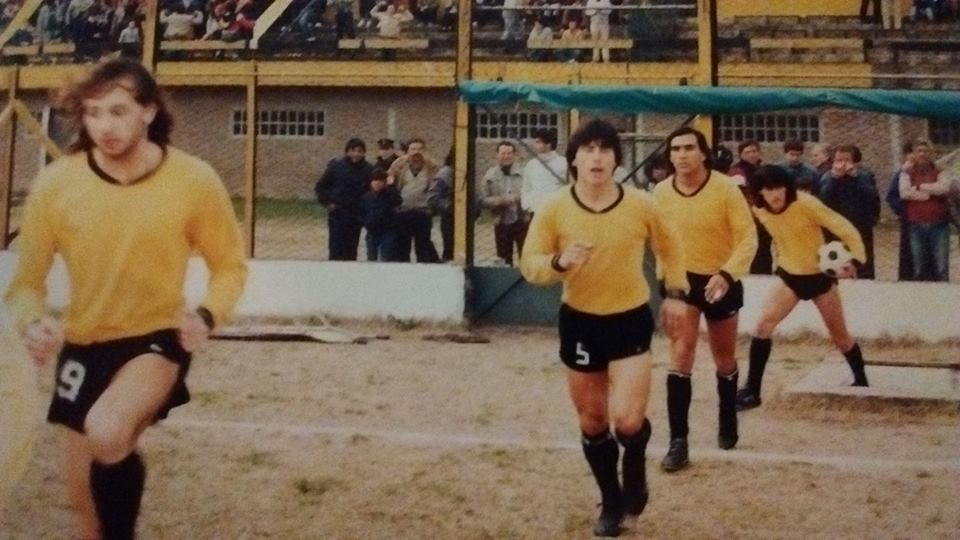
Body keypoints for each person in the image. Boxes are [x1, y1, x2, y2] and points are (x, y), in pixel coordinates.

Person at [3, 59, 248, 540]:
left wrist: (206, 314)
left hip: (155, 340)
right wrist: (33, 323)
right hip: (83, 347)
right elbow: (25, 284)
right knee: (84, 509)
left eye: (117, 111)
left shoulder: (193, 180)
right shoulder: (57, 185)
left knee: (109, 429)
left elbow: (230, 266)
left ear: (149, 113)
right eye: (93, 113)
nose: (104, 126)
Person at [520, 119, 688, 537]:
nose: (597, 157)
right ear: (573, 158)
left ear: (616, 158)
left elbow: (671, 246)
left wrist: (676, 292)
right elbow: (531, 264)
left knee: (628, 421)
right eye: (588, 149)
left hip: (629, 319)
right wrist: (559, 264)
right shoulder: (555, 206)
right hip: (579, 321)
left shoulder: (641, 204)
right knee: (593, 422)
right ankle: (611, 502)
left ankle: (635, 471)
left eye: (605, 149)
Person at [653, 127, 758, 473]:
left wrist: (727, 275)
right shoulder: (661, 192)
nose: (681, 154)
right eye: (676, 148)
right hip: (681, 282)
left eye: (689, 148)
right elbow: (658, 241)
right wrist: (668, 284)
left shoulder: (726, 188)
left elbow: (748, 239)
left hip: (720, 279)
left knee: (723, 357)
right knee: (681, 354)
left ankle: (728, 417)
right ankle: (678, 441)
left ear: (703, 154)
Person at [736, 165, 869, 411]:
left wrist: (856, 259)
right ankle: (752, 392)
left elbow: (843, 227)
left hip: (820, 278)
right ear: (760, 192)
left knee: (840, 337)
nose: (774, 194)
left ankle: (862, 382)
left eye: (778, 187)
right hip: (789, 277)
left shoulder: (806, 204)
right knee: (763, 326)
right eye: (767, 189)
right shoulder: (759, 209)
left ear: (787, 186)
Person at [818, 144, 880, 279]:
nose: (843, 164)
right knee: (837, 264)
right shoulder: (827, 177)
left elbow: (871, 196)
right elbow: (822, 200)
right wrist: (834, 179)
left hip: (860, 228)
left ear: (854, 161)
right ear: (833, 162)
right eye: (839, 160)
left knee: (863, 265)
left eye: (846, 160)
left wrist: (855, 177)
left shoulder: (865, 175)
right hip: (835, 230)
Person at [898, 139, 952, 282]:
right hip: (916, 225)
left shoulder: (940, 170)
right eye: (919, 151)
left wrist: (920, 187)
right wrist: (930, 192)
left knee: (941, 267)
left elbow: (944, 188)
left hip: (939, 225)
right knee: (919, 267)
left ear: (931, 153)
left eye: (926, 151)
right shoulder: (906, 172)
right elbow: (904, 193)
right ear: (914, 153)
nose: (922, 154)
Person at [315, 137, 374, 261]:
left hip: (356, 215)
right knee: (336, 248)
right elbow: (321, 187)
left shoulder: (369, 170)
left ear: (364, 153)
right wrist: (328, 202)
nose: (356, 154)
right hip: (338, 214)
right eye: (353, 151)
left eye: (359, 151)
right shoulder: (336, 166)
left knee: (351, 250)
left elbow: (372, 191)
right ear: (347, 152)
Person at [386, 137, 441, 262]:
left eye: (420, 149)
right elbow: (390, 185)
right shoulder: (398, 165)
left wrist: (431, 208)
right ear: (408, 151)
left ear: (425, 151)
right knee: (401, 248)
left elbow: (436, 188)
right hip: (403, 212)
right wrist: (394, 206)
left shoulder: (432, 167)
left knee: (423, 248)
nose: (416, 152)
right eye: (413, 149)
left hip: (423, 212)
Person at [479, 141, 527, 267]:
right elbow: (482, 199)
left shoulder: (525, 173)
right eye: (503, 153)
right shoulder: (490, 175)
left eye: (509, 153)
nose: (506, 156)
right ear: (497, 155)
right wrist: (498, 201)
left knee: (526, 256)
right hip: (501, 222)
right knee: (503, 259)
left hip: (522, 221)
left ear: (515, 155)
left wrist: (517, 198)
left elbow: (531, 194)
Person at [729, 140, 773, 275]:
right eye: (747, 152)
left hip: (764, 217)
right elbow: (738, 195)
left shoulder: (763, 170)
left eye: (754, 151)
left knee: (764, 250)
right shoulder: (737, 171)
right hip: (748, 217)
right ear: (741, 154)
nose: (752, 155)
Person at [521, 128, 568, 217]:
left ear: (548, 144)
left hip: (556, 213)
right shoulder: (531, 165)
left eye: (538, 142)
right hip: (535, 213)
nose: (535, 145)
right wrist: (527, 206)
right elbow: (526, 188)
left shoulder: (564, 163)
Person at [885, 141, 915, 280]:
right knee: (908, 255)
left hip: (928, 219)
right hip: (909, 219)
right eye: (912, 152)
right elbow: (891, 196)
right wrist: (903, 211)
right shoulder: (901, 173)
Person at [360, 168, 402, 261]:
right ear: (371, 182)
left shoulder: (391, 194)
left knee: (386, 256)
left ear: (385, 182)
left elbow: (397, 202)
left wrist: (391, 186)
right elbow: (361, 212)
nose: (377, 183)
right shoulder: (366, 197)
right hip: (372, 231)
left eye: (381, 181)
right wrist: (366, 222)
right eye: (375, 180)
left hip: (387, 231)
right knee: (371, 256)